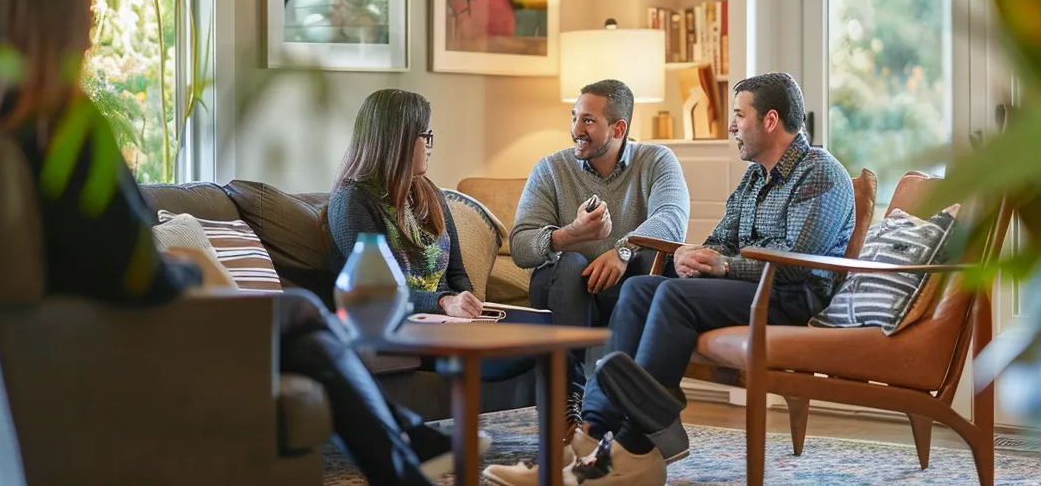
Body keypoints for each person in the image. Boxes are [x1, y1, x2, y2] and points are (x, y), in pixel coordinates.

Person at [0, 0, 448, 486]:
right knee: (300, 312)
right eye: (83, 9)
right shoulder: (63, 128)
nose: (90, 29)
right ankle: (407, 450)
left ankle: (405, 450)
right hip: (122, 338)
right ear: (46, 19)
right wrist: (190, 269)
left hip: (58, 346)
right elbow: (132, 275)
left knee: (304, 328)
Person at [484, 73, 855, 486]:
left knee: (673, 297)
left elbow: (797, 267)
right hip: (748, 289)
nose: (732, 126)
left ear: (770, 121)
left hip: (790, 298)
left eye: (738, 116)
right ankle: (591, 435)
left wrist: (723, 266)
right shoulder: (755, 179)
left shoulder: (820, 173)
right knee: (644, 288)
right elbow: (719, 242)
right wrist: (692, 257)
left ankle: (637, 447)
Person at [510, 79, 689, 414]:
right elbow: (521, 246)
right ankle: (567, 401)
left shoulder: (656, 161)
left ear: (618, 127)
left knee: (650, 259)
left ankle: (619, 398)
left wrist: (623, 249)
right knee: (571, 263)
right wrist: (570, 235)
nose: (576, 129)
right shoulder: (551, 169)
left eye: (588, 121)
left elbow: (672, 219)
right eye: (574, 117)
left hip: (625, 289)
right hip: (562, 287)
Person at [327, 88, 485, 321]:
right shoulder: (352, 201)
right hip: (388, 323)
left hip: (445, 321)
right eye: (425, 136)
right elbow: (376, 291)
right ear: (399, 140)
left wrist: (467, 305)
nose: (430, 146)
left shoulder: (432, 194)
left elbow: (457, 273)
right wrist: (443, 302)